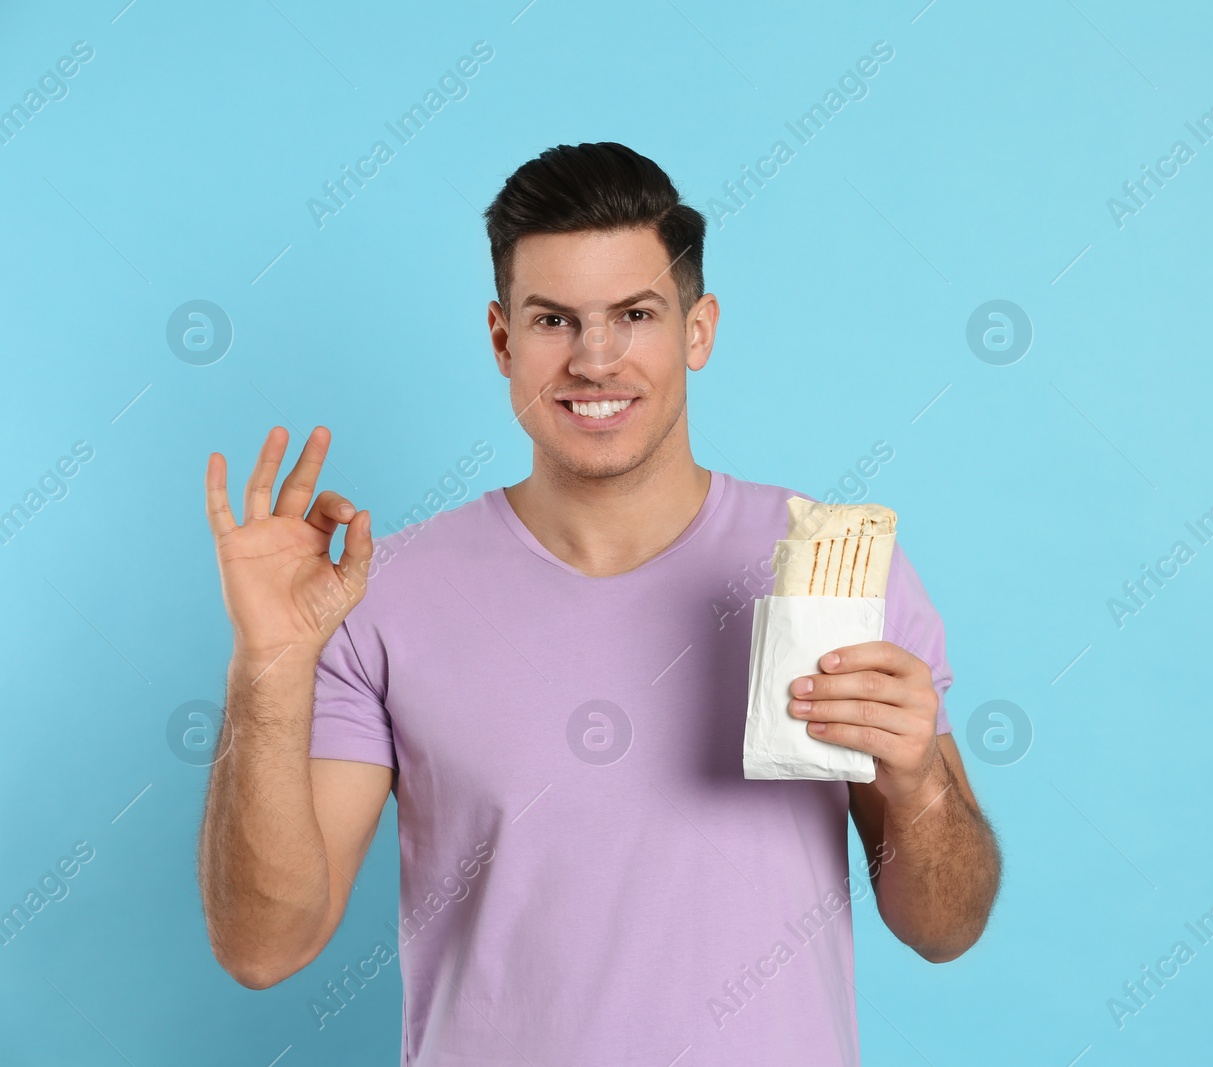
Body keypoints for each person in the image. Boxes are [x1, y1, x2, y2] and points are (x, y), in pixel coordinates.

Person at [196, 141, 1000, 1065]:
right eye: (553, 320)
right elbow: (265, 948)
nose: (595, 357)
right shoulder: (380, 596)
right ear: (503, 339)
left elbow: (947, 927)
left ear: (697, 330)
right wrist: (267, 661)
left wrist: (919, 784)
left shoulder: (836, 569)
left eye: (635, 314)